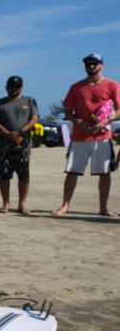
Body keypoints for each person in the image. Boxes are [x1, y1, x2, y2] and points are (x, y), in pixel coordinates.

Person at [53, 54, 120, 217]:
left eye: (94, 64)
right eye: (88, 64)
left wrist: (105, 123)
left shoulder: (112, 85)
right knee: (72, 171)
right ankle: (65, 205)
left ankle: (103, 207)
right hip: (79, 136)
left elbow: (118, 109)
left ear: (102, 65)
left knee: (104, 173)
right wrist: (79, 122)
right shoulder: (76, 87)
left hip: (103, 137)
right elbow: (68, 112)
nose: (91, 66)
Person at [0, 76, 39, 215]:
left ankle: (22, 204)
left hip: (22, 145)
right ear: (7, 87)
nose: (14, 89)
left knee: (24, 175)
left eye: (17, 87)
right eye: (11, 86)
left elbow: (34, 119)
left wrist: (20, 132)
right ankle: (6, 203)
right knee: (4, 175)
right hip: (3, 145)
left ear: (21, 87)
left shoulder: (29, 101)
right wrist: (9, 134)